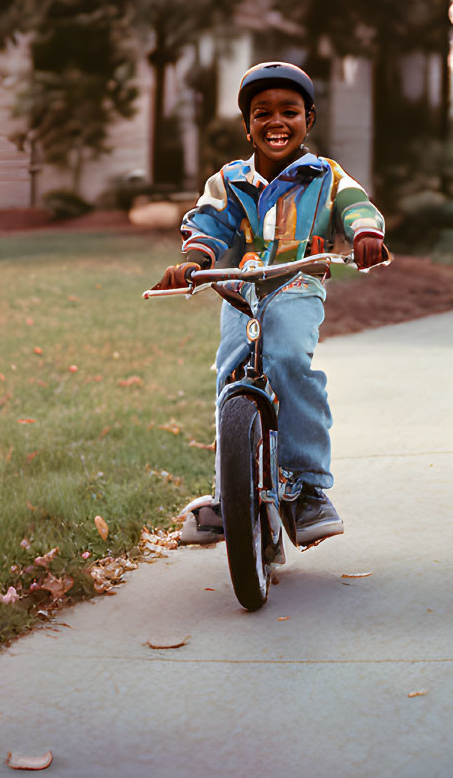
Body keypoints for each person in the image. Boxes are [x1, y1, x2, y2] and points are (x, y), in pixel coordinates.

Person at [153, 61, 390, 547]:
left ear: (309, 119)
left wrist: (365, 234)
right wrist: (195, 261)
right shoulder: (229, 180)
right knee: (228, 375)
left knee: (286, 361)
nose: (276, 122)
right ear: (247, 126)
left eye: (289, 111)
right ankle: (228, 494)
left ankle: (306, 488)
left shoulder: (326, 175)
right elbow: (209, 225)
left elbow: (356, 206)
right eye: (262, 113)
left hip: (297, 284)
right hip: (240, 291)